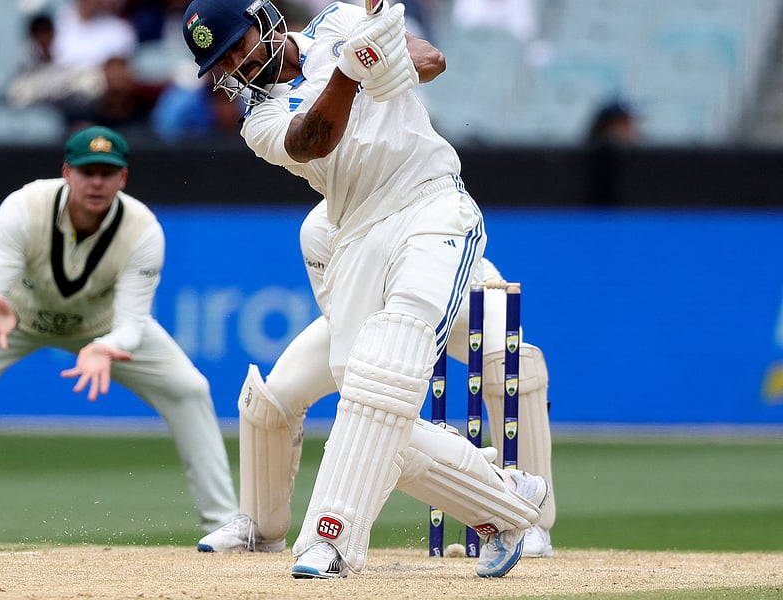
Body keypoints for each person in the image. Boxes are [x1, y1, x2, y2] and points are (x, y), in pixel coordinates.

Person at [180, 0, 546, 579]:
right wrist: (349, 76)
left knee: (392, 366)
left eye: (235, 47)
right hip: (356, 233)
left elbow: (433, 59)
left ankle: (330, 540)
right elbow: (311, 140)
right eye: (220, 64)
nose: (234, 68)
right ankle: (505, 502)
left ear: (266, 17)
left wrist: (382, 56)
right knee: (371, 408)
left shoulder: (339, 20)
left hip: (430, 204)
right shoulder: (260, 119)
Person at [0, 125, 239, 543]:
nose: (96, 182)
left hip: (99, 331)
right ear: (67, 172)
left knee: (189, 389)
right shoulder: (23, 207)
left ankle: (223, 526)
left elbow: (133, 323)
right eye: (87, 171)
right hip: (13, 321)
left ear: (123, 178)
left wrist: (105, 347)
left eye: (107, 172)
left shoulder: (143, 231)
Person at [196, 200, 556, 558]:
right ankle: (260, 528)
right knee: (275, 396)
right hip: (373, 317)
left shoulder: (420, 193)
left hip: (460, 299)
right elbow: (344, 325)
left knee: (517, 366)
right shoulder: (319, 226)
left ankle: (532, 519)